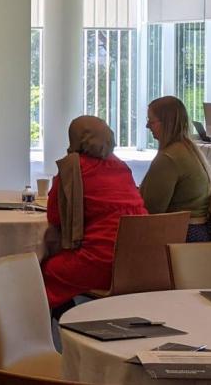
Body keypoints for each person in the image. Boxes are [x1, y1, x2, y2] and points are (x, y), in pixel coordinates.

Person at [41, 116, 147, 316]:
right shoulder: (121, 166)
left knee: (43, 272)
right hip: (138, 261)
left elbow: (55, 217)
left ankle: (61, 329)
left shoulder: (73, 169)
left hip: (101, 261)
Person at [140, 95, 211, 242]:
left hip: (182, 235)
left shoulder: (169, 158)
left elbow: (150, 210)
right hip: (201, 232)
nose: (147, 126)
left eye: (151, 121)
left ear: (167, 123)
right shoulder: (188, 148)